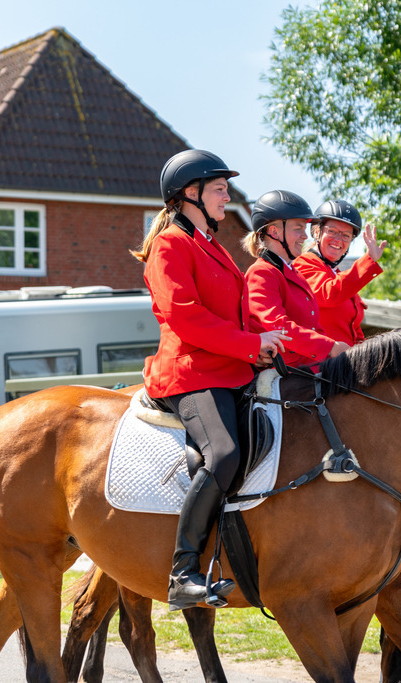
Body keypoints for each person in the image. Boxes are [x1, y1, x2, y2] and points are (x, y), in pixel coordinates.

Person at [131, 150, 289, 609]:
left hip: (231, 367)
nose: (227, 196)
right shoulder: (169, 246)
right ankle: (182, 571)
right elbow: (187, 319)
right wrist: (248, 346)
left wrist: (263, 341)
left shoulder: (212, 245)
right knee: (223, 453)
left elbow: (231, 316)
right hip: (189, 373)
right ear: (190, 194)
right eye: (219, 188)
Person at [243, 190, 350, 368]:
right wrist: (330, 347)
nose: (305, 236)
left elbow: (315, 328)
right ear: (274, 232)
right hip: (281, 372)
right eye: (298, 229)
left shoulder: (296, 274)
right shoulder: (261, 272)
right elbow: (277, 326)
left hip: (310, 368)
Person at [293, 199, 386, 345]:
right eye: (332, 231)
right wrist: (369, 261)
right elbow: (329, 293)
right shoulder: (303, 264)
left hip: (345, 361)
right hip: (317, 362)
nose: (338, 240)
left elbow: (354, 330)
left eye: (346, 236)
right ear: (317, 232)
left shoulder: (337, 274)